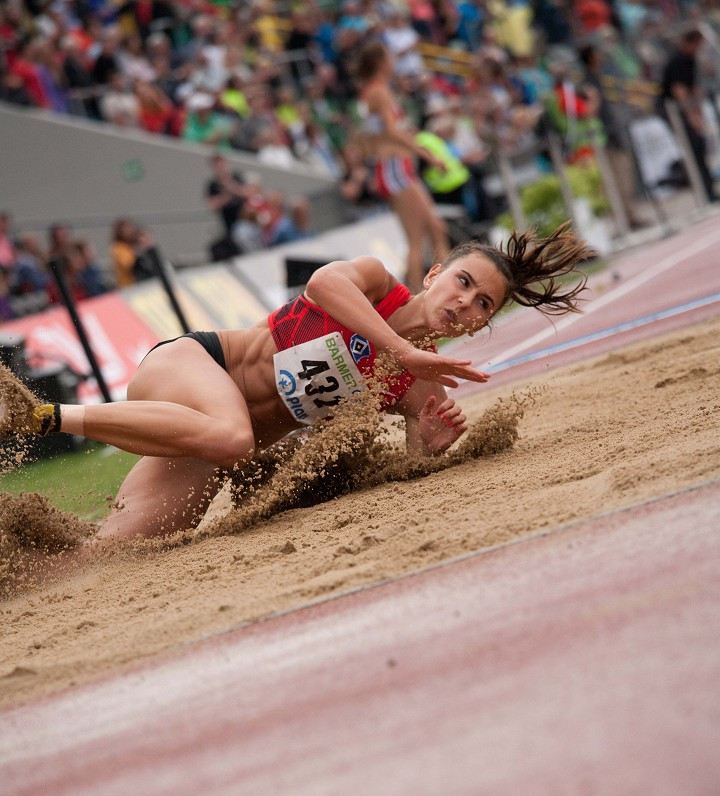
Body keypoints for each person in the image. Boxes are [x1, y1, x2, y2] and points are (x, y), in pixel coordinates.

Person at [11, 226, 591, 541]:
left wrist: (430, 446)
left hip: (208, 441)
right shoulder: (372, 282)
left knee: (112, 551)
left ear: (483, 321)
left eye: (482, 303)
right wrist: (401, 350)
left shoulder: (421, 389)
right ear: (434, 274)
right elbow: (320, 286)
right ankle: (43, 416)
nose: (464, 301)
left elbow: (416, 471)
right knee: (236, 436)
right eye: (462, 282)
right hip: (193, 366)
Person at [354, 40, 451, 293]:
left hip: (397, 167)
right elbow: (391, 133)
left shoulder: (376, 91)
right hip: (395, 169)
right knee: (419, 239)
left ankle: (436, 290)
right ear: (380, 62)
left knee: (433, 230)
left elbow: (373, 135)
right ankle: (421, 298)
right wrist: (427, 154)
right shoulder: (378, 92)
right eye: (390, 57)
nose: (394, 62)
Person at [659, 27, 718, 203]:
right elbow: (680, 92)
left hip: (687, 110)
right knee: (693, 150)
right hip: (677, 113)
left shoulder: (690, 59)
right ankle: (704, 192)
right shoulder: (678, 60)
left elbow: (694, 88)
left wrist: (698, 113)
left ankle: (709, 189)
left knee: (700, 148)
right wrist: (692, 117)